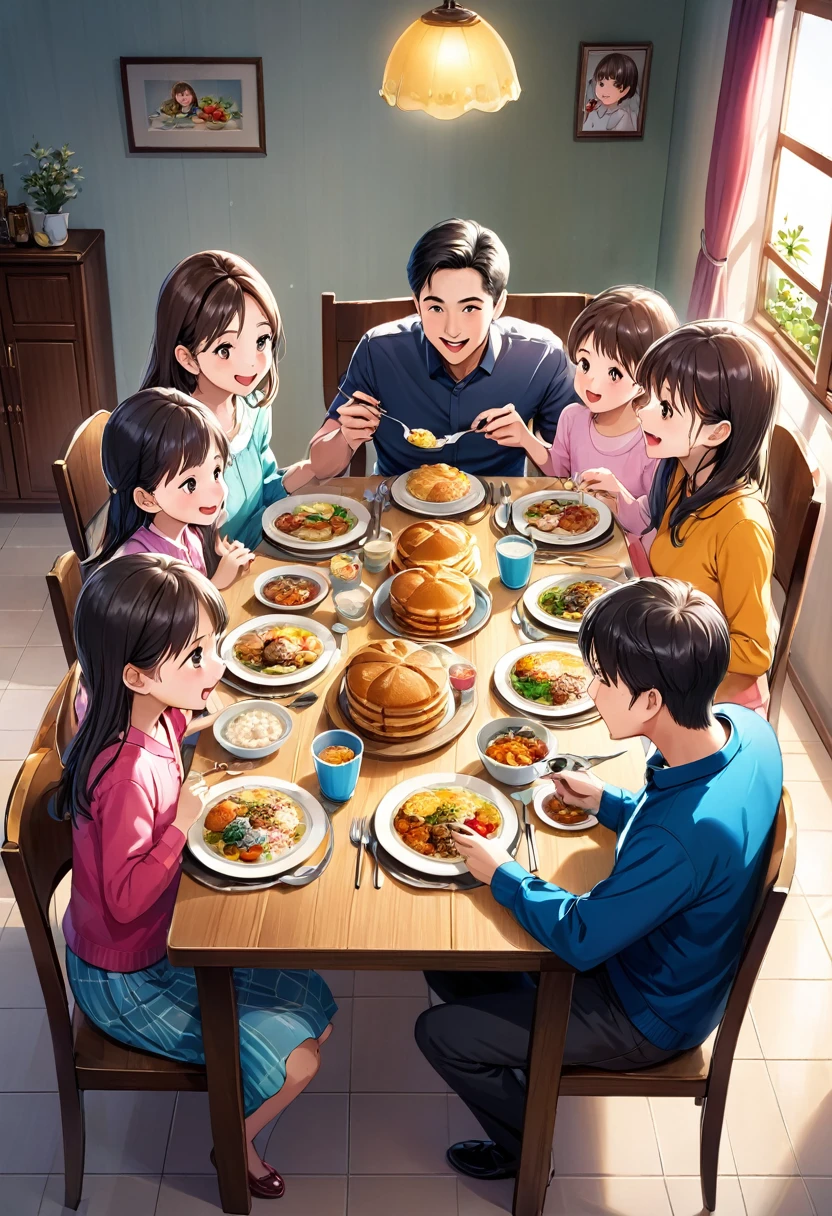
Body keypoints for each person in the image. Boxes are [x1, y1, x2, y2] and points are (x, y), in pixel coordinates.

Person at [415, 577, 782, 1182]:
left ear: (651, 702)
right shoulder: (749, 732)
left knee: (440, 1033)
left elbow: (583, 934)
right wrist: (608, 803)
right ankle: (525, 1050)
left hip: (644, 1011)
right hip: (670, 960)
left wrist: (501, 872)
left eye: (604, 680)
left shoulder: (681, 839)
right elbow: (679, 817)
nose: (591, 689)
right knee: (444, 959)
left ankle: (527, 1152)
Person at [57, 555, 337, 1199]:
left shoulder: (147, 716)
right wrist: (182, 822)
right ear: (137, 674)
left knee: (315, 998)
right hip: (125, 974)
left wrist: (196, 719)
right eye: (196, 659)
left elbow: (173, 728)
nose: (215, 668)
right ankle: (233, 1144)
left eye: (210, 648)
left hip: (156, 939)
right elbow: (125, 900)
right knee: (302, 1059)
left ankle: (240, 1105)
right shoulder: (126, 773)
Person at [588, 320, 778, 710]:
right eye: (649, 397)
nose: (643, 414)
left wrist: (660, 648)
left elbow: (755, 651)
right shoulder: (680, 471)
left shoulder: (741, 525)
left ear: (717, 432)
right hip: (660, 655)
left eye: (666, 408)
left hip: (705, 698)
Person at [309, 218, 575, 479]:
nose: (452, 330)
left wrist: (528, 441)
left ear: (498, 305)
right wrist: (345, 435)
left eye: (469, 308)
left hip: (497, 513)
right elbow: (319, 466)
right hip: (395, 511)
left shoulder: (542, 357)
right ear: (417, 303)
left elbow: (573, 465)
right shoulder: (378, 351)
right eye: (436, 307)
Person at [473, 285, 678, 571]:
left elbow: (653, 518)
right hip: (574, 544)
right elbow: (560, 469)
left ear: (646, 378)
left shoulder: (653, 440)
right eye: (584, 363)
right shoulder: (573, 417)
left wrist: (619, 496)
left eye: (614, 373)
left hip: (624, 556)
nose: (592, 383)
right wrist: (525, 438)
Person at [142, 250, 322, 551]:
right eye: (225, 349)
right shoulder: (171, 436)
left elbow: (264, 492)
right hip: (205, 582)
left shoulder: (251, 406)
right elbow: (167, 548)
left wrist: (313, 467)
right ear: (187, 358)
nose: (251, 363)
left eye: (261, 341)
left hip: (257, 555)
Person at [87, 387, 253, 590]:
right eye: (190, 483)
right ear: (147, 499)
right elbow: (170, 620)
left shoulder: (191, 533)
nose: (218, 491)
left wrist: (226, 556)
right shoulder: (137, 564)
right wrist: (216, 584)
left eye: (216, 472)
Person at [582, 53, 640, 133]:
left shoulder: (622, 115)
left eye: (615, 85)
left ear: (626, 90)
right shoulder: (592, 103)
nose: (605, 90)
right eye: (601, 84)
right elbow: (581, 124)